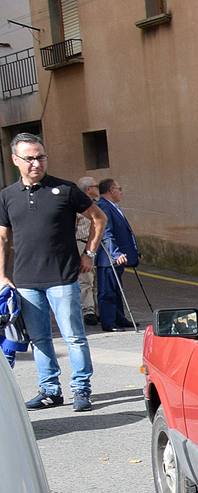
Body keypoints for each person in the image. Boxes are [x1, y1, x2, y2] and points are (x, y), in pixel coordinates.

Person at [0, 133, 106, 411]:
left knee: (73, 336)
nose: (36, 163)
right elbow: (2, 238)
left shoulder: (66, 190)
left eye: (41, 157)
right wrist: (2, 275)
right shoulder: (7, 196)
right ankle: (50, 390)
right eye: (30, 158)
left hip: (62, 277)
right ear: (15, 160)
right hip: (26, 281)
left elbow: (99, 218)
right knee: (39, 339)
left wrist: (90, 254)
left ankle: (81, 389)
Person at [94, 178, 139, 331]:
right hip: (108, 258)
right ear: (111, 190)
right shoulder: (104, 206)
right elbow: (106, 233)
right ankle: (109, 322)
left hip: (117, 258)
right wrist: (115, 253)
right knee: (107, 290)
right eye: (119, 189)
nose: (121, 192)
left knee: (116, 289)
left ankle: (119, 318)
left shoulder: (113, 206)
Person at [76, 175, 98, 325]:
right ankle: (88, 310)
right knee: (85, 278)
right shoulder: (78, 205)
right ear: (89, 189)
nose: (98, 189)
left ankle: (94, 309)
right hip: (81, 243)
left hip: (93, 245)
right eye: (95, 186)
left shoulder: (95, 204)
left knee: (94, 279)